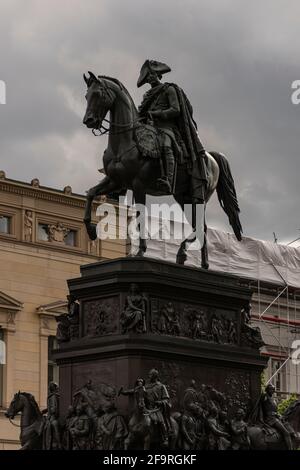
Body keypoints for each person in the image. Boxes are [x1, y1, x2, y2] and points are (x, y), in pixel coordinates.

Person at [137, 59, 207, 200]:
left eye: (153, 74)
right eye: (148, 75)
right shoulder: (147, 96)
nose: (150, 77)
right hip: (150, 128)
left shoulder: (169, 89)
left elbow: (176, 110)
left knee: (165, 144)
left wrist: (157, 114)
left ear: (159, 75)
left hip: (167, 128)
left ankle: (168, 180)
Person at [260, 384, 293, 450]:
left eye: (273, 389)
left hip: (275, 417)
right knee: (286, 433)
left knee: (287, 424)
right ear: (267, 390)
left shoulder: (273, 399)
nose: (272, 390)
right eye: (270, 389)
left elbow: (274, 410)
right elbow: (263, 403)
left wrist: (278, 414)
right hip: (270, 419)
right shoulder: (265, 397)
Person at [43, 382, 62, 450]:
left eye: (50, 387)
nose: (48, 388)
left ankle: (59, 443)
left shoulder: (54, 396)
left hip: (53, 416)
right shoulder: (51, 396)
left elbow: (54, 408)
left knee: (53, 424)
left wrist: (51, 413)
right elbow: (50, 407)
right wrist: (44, 411)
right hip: (50, 415)